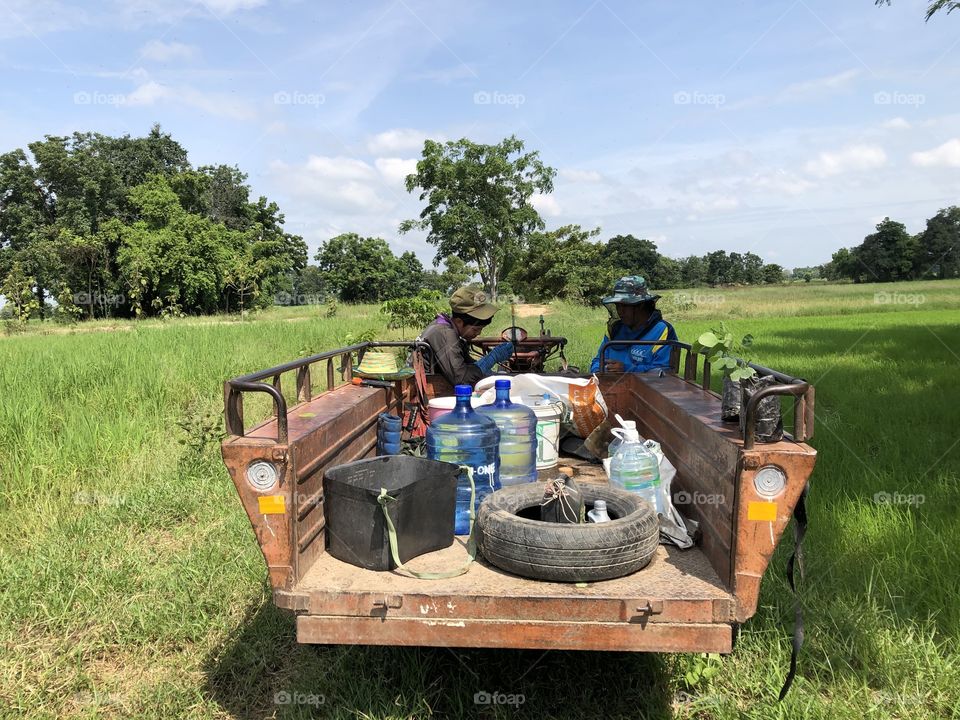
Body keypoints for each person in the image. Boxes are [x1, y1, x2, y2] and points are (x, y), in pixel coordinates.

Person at [418, 286, 515, 386]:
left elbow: (468, 365)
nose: (479, 333)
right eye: (475, 329)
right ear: (459, 322)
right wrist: (491, 358)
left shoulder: (448, 327)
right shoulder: (445, 334)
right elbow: (461, 378)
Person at [589, 276, 677, 374]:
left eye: (625, 306)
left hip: (644, 388)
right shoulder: (615, 329)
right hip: (610, 386)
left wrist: (627, 369)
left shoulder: (661, 330)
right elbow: (598, 360)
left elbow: (663, 373)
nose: (620, 312)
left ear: (641, 305)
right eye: (618, 306)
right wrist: (598, 371)